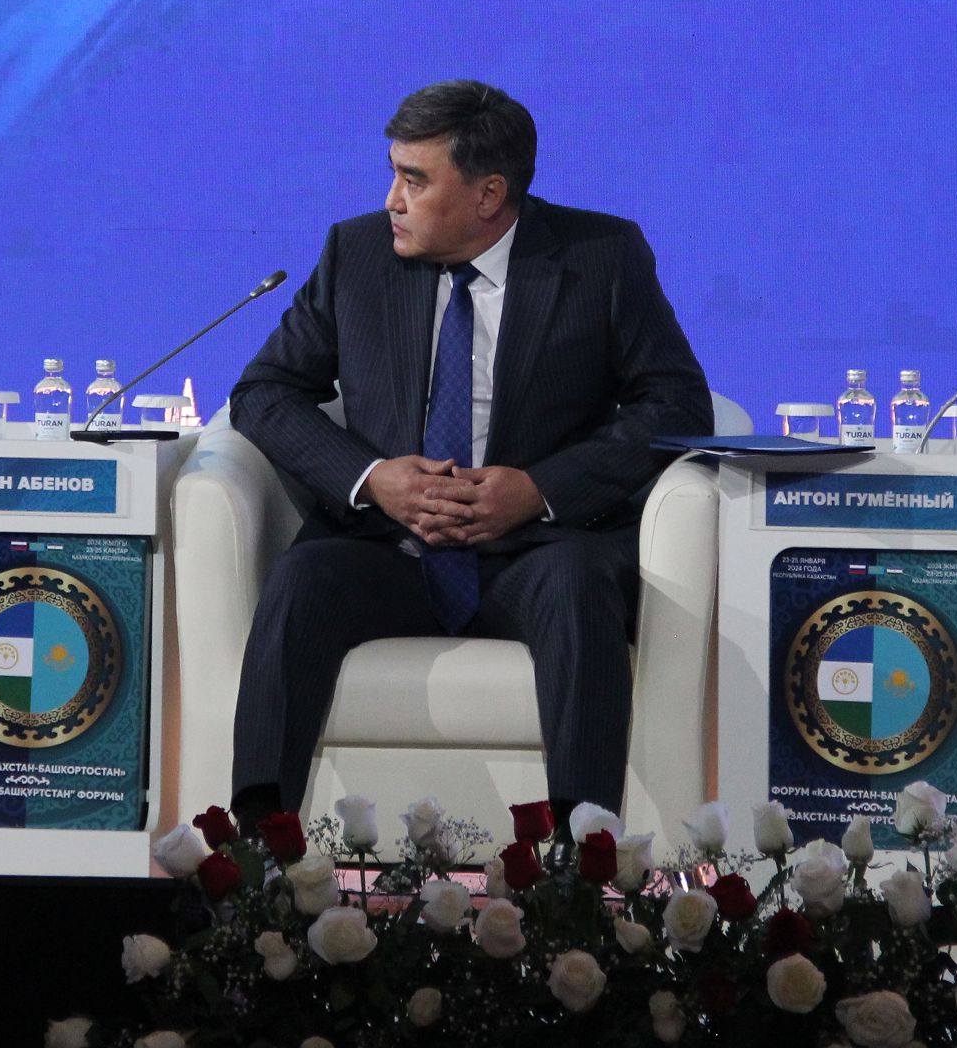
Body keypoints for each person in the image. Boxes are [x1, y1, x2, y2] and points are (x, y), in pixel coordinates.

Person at [226, 80, 712, 824]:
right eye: (393, 174)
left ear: (489, 195)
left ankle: (582, 859)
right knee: (299, 581)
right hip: (388, 548)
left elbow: (675, 404)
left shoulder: (600, 256)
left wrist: (539, 490)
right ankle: (256, 850)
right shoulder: (357, 252)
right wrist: (372, 479)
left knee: (579, 587)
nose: (392, 200)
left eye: (414, 181)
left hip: (535, 551)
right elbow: (264, 392)